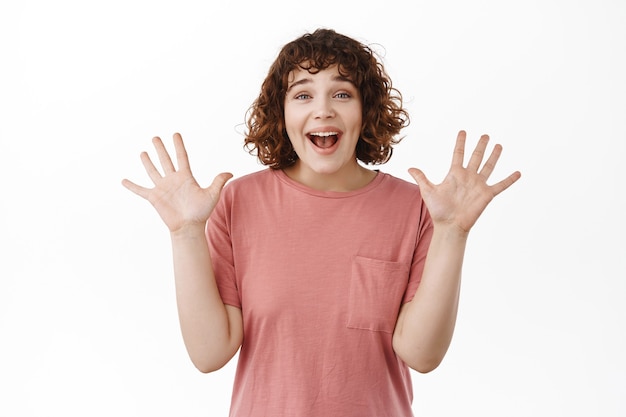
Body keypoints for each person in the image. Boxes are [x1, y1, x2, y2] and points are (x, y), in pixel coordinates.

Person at [122, 28, 521, 417]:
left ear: (366, 111)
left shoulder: (417, 208)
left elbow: (422, 354)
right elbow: (209, 353)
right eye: (303, 94)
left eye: (343, 94)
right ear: (282, 112)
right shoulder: (237, 202)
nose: (323, 109)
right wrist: (185, 233)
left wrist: (453, 232)